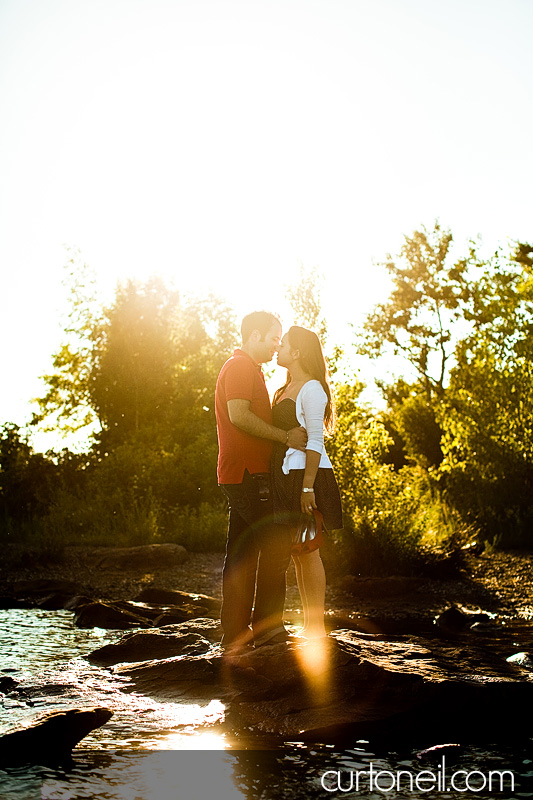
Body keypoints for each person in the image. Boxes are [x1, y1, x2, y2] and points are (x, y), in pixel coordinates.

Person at [215, 311, 307, 652]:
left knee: (241, 554)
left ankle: (236, 635)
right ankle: (266, 630)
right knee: (274, 546)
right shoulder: (239, 367)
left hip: (243, 473)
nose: (276, 345)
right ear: (253, 336)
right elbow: (239, 416)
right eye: (272, 338)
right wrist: (284, 436)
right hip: (247, 474)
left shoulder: (248, 369)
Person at [272, 326, 343, 639]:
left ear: (297, 352)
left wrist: (307, 487)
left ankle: (317, 627)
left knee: (309, 551)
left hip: (308, 477)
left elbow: (315, 441)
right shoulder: (286, 387)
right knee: (299, 553)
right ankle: (308, 624)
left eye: (283, 344)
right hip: (289, 476)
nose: (278, 348)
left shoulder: (312, 388)